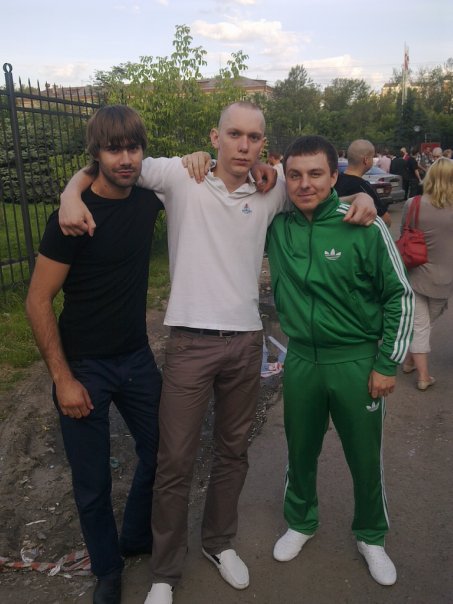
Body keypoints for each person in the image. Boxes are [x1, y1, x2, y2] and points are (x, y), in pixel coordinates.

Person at [58, 101, 377, 604]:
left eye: (254, 137)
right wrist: (70, 193)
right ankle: (165, 572)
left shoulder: (272, 189)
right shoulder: (180, 176)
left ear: (263, 145)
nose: (243, 146)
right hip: (190, 343)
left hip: (246, 343)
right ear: (215, 136)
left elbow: (321, 190)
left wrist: (365, 199)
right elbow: (111, 163)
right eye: (234, 134)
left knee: (232, 453)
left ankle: (219, 543)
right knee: (174, 461)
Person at [25, 106, 164, 604]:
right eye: (113, 149)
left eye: (133, 148)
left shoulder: (149, 200)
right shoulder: (72, 219)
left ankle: (135, 535)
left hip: (137, 358)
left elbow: (214, 179)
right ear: (96, 153)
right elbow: (37, 301)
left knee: (163, 451)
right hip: (84, 365)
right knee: (92, 481)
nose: (125, 159)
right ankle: (107, 569)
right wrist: (63, 379)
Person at [266, 135, 414, 587]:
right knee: (300, 450)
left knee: (364, 456)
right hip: (301, 359)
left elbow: (399, 296)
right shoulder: (277, 227)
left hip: (355, 361)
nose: (305, 184)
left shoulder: (365, 227)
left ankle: (371, 535)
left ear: (335, 176)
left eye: (316, 174)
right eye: (295, 175)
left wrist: (387, 363)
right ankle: (301, 521)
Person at [401, 157, 453, 390]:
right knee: (423, 324)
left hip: (415, 273)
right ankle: (423, 377)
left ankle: (411, 360)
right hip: (446, 279)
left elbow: (403, 233)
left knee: (420, 325)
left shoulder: (412, 204)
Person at [335, 139, 392, 227]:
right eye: (372, 157)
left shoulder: (334, 181)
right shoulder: (363, 187)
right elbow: (386, 220)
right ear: (366, 160)